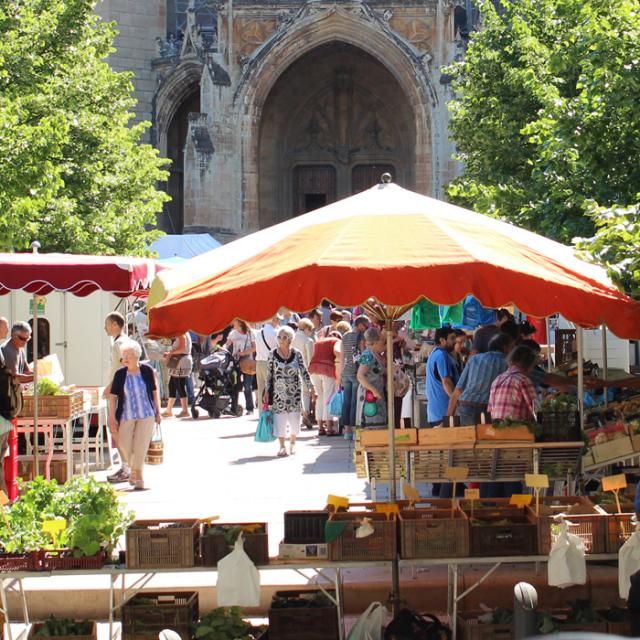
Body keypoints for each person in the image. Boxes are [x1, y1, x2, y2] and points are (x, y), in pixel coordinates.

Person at [108, 341, 161, 490]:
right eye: (123, 356)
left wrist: (158, 411)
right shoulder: (120, 374)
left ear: (136, 356)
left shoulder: (147, 371)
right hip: (127, 415)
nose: (124, 359)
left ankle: (139, 476)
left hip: (146, 413)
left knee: (141, 445)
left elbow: (154, 392)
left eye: (128, 356)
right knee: (124, 444)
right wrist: (112, 417)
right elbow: (113, 397)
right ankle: (134, 470)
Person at [264, 325, 314, 457]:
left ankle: (292, 442)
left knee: (294, 421)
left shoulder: (297, 353)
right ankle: (282, 446)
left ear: (290, 339)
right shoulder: (272, 354)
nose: (281, 339)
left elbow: (304, 371)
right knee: (279, 420)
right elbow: (269, 374)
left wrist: (311, 386)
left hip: (295, 393)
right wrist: (266, 391)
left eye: (284, 337)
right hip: (278, 394)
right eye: (279, 337)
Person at [447, 333, 515, 425]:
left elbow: (458, 390)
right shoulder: (509, 364)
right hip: (488, 410)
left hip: (465, 407)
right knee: (485, 438)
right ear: (505, 347)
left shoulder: (474, 359)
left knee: (465, 438)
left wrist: (447, 420)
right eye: (512, 347)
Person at [102, 312, 132, 483]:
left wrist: (110, 387)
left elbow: (124, 366)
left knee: (116, 428)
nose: (105, 327)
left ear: (114, 324)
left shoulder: (119, 343)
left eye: (107, 324)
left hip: (118, 392)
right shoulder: (126, 341)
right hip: (125, 390)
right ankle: (128, 467)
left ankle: (126, 468)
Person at [340, 315, 369, 440]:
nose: (367, 327)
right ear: (360, 325)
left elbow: (342, 356)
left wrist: (341, 373)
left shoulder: (345, 336)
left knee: (346, 401)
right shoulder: (361, 336)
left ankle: (347, 431)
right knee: (354, 402)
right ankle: (355, 430)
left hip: (346, 371)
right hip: (356, 372)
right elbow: (363, 354)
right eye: (365, 325)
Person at [308, 331, 342, 435]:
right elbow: (337, 351)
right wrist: (342, 360)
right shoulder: (337, 341)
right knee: (328, 396)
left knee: (320, 397)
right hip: (327, 368)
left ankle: (320, 427)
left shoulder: (320, 341)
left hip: (314, 368)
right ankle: (329, 427)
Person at [425, 327, 459, 426]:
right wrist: (456, 402)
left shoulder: (435, 353)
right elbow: (446, 382)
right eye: (452, 338)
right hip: (443, 412)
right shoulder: (441, 355)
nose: (455, 341)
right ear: (442, 340)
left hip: (436, 413)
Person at [356, 327, 387, 429]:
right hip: (369, 394)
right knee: (371, 423)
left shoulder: (376, 353)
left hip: (376, 391)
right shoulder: (368, 354)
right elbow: (360, 375)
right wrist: (373, 391)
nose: (383, 342)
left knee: (378, 422)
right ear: (376, 341)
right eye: (382, 340)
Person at [226, 319, 256, 415]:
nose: (232, 323)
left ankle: (250, 408)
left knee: (247, 386)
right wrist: (220, 348)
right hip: (236, 361)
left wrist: (244, 353)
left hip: (247, 361)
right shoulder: (233, 333)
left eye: (234, 321)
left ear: (239, 322)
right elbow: (227, 345)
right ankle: (234, 408)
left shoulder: (250, 333)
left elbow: (255, 347)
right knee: (235, 385)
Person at [162, 332, 193, 418]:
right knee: (172, 385)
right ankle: (169, 410)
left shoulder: (182, 333)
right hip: (179, 360)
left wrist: (170, 353)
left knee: (180, 385)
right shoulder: (183, 332)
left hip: (181, 360)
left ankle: (185, 410)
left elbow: (182, 348)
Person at [292, 318, 315, 428]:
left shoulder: (291, 337)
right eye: (310, 330)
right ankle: (305, 413)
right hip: (304, 369)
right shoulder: (308, 340)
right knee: (305, 393)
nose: (311, 332)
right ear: (306, 328)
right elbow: (310, 358)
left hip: (291, 368)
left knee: (295, 393)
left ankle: (300, 415)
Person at [255, 314, 280, 414]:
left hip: (259, 362)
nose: (279, 322)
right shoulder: (275, 332)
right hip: (269, 363)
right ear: (274, 319)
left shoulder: (258, 332)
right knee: (272, 391)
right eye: (278, 319)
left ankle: (262, 415)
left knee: (261, 390)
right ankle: (272, 416)